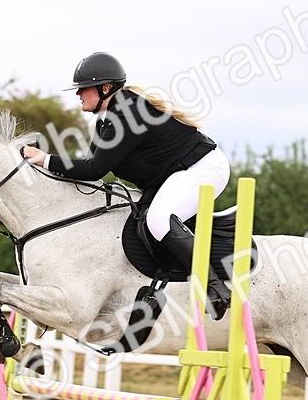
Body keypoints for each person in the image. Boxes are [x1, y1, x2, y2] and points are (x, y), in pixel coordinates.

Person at [21, 52, 232, 318]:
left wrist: (45, 160)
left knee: (159, 220)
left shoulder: (126, 113)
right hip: (174, 173)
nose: (78, 94)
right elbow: (92, 168)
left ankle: (215, 287)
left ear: (105, 88)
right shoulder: (106, 118)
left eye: (83, 89)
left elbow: (94, 170)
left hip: (202, 168)